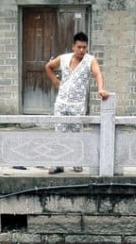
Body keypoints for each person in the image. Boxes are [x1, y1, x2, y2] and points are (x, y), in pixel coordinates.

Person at [44, 32, 110, 174]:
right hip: (61, 103)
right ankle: (59, 164)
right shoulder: (63, 58)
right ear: (73, 46)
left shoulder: (90, 60)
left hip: (77, 105)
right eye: (79, 47)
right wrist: (56, 81)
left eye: (84, 47)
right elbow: (48, 67)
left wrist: (101, 89)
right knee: (59, 133)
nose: (81, 50)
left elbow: (97, 73)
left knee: (76, 133)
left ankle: (76, 162)